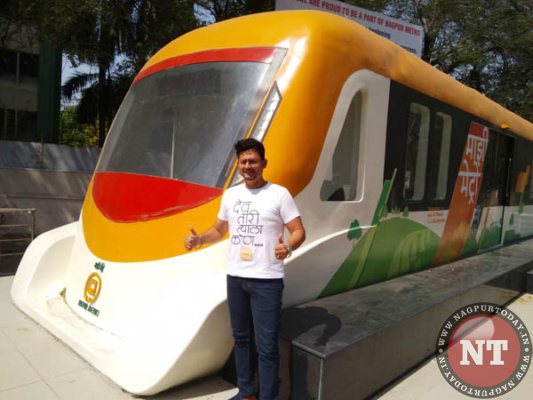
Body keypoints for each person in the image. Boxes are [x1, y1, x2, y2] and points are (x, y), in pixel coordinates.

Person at [184, 138, 306, 400]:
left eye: (253, 161)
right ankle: (246, 393)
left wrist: (289, 248)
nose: (247, 166)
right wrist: (199, 240)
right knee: (241, 339)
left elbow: (298, 231)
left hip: (267, 280)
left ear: (264, 163)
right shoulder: (231, 194)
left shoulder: (279, 194)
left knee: (267, 347)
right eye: (243, 162)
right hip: (236, 277)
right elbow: (219, 230)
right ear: (238, 164)